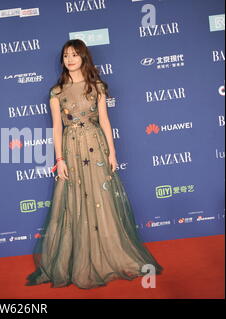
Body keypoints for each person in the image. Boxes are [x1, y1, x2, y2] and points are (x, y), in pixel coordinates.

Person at [25, 39, 164, 289]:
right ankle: (77, 258)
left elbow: (105, 121)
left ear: (83, 58)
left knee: (102, 200)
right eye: (66, 55)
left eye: (74, 55)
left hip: (95, 146)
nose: (69, 59)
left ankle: (110, 254)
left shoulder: (96, 86)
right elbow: (57, 128)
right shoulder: (56, 92)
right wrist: (59, 159)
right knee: (74, 201)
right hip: (71, 148)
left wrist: (112, 153)